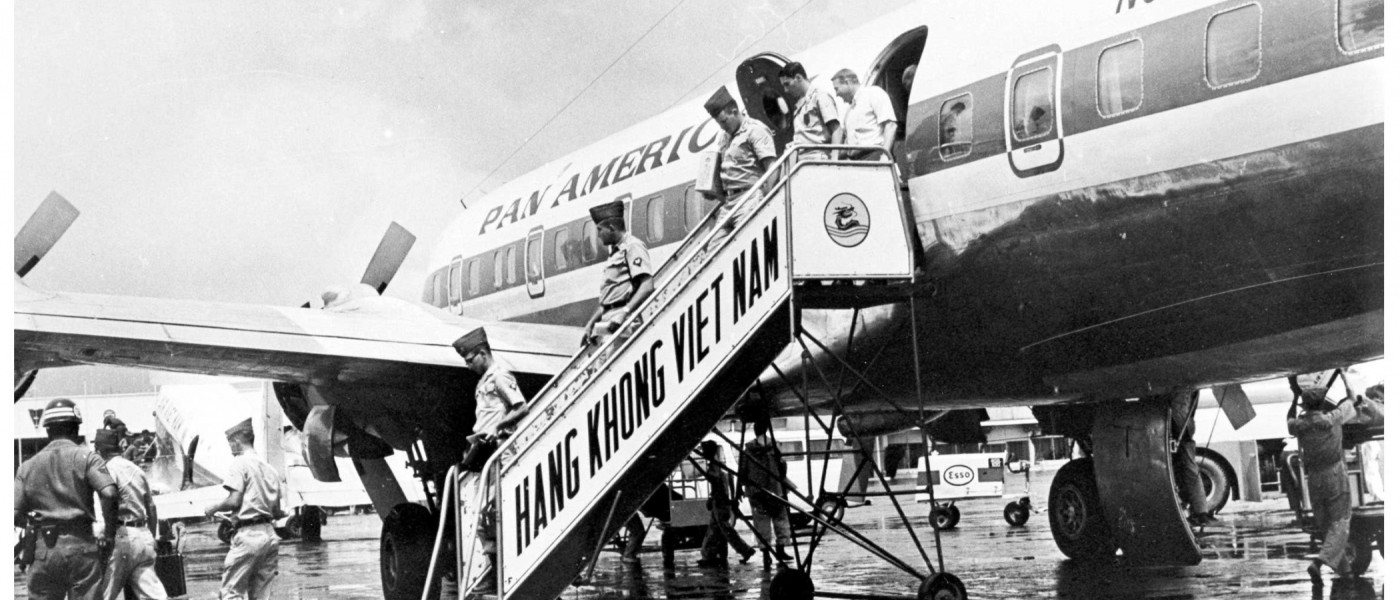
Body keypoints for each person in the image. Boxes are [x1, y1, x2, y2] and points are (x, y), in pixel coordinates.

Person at [14, 398, 121, 600]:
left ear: (47, 431)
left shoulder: (26, 467)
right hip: (81, 547)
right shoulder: (88, 457)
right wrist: (109, 535)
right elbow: (109, 494)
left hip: (43, 550)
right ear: (76, 429)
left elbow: (13, 513)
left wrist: (34, 525)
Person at [455, 327, 530, 597]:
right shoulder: (484, 380)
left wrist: (499, 426)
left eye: (470, 360)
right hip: (485, 452)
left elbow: (521, 407)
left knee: (491, 514)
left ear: (482, 353)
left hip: (499, 454)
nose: (468, 365)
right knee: (482, 517)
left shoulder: (500, 376)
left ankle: (499, 573)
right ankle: (494, 571)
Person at [1286, 373, 1357, 586]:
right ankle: (1319, 562)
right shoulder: (1333, 418)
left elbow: (1288, 419)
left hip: (1314, 477)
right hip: (1334, 474)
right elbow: (1352, 398)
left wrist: (1294, 397)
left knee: (1326, 525)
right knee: (1341, 522)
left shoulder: (1299, 425)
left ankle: (1346, 571)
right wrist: (1343, 375)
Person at [204, 418, 286, 600]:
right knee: (262, 595)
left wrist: (213, 508)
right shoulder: (270, 468)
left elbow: (234, 501)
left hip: (248, 535)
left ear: (236, 441)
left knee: (231, 592)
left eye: (230, 444)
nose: (231, 448)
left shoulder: (240, 463)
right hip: (270, 535)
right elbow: (277, 511)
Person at [95, 428, 167, 600]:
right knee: (153, 595)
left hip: (122, 535)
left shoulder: (108, 470)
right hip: (144, 536)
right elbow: (151, 507)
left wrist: (105, 535)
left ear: (99, 451)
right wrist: (152, 536)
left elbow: (108, 501)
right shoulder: (136, 469)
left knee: (104, 593)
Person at [581, 200, 655, 346]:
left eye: (600, 230)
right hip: (608, 322)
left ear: (611, 228)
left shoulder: (632, 246)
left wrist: (625, 312)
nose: (598, 236)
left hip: (620, 321)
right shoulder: (615, 252)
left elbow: (647, 285)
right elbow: (609, 300)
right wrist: (590, 324)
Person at [702, 86, 778, 211]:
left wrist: (768, 202)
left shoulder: (754, 130)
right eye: (719, 123)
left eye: (724, 121)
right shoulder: (724, 138)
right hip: (729, 202)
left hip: (749, 199)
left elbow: (772, 167)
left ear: (734, 111)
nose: (722, 127)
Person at [738, 420, 792, 562]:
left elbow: (742, 470)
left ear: (754, 431)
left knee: (761, 522)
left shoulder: (748, 449)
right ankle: (781, 549)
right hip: (776, 489)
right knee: (780, 519)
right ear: (767, 429)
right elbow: (783, 466)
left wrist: (742, 487)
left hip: (756, 490)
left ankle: (766, 555)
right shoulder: (775, 446)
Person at [697, 441, 754, 567]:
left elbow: (718, 485)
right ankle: (708, 555)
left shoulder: (715, 466)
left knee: (725, 531)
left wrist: (720, 499)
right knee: (714, 530)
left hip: (720, 503)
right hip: (719, 502)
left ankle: (745, 550)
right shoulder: (717, 464)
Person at [1169, 392, 1216, 526]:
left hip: (1179, 428)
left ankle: (1196, 512)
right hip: (1185, 427)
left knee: (1183, 470)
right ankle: (1200, 512)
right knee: (1190, 469)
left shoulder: (1180, 389)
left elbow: (1177, 410)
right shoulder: (1191, 389)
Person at [778, 62, 842, 159]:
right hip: (802, 159)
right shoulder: (799, 106)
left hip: (817, 158)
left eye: (787, 84)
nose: (786, 90)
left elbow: (836, 130)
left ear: (798, 78)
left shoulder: (819, 97)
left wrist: (834, 160)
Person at [831, 69, 897, 160]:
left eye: (836, 89)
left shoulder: (873, 93)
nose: (836, 94)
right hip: (857, 161)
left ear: (847, 82)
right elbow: (848, 145)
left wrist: (885, 155)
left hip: (875, 156)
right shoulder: (849, 112)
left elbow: (891, 125)